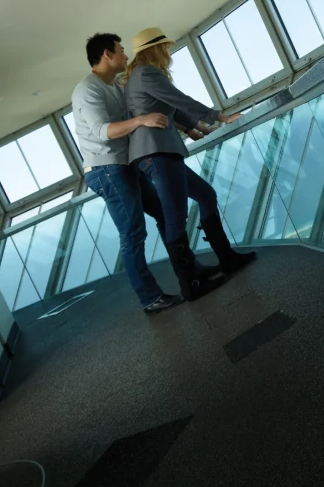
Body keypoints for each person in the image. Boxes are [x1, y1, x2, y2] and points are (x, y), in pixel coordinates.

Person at [71, 33, 218, 315]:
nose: (126, 55)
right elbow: (103, 131)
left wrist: (186, 127)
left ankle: (192, 269)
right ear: (106, 55)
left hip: (125, 165)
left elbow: (155, 107)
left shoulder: (115, 85)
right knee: (133, 234)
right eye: (121, 50)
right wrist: (140, 120)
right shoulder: (86, 90)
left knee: (165, 215)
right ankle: (150, 298)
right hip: (106, 169)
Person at [123, 27, 256, 302]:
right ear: (154, 49)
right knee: (175, 217)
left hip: (161, 152)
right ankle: (190, 284)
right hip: (157, 152)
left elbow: (174, 109)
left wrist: (199, 128)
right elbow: (179, 99)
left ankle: (226, 257)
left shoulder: (139, 76)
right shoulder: (146, 73)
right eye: (166, 46)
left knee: (206, 195)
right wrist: (219, 117)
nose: (169, 52)